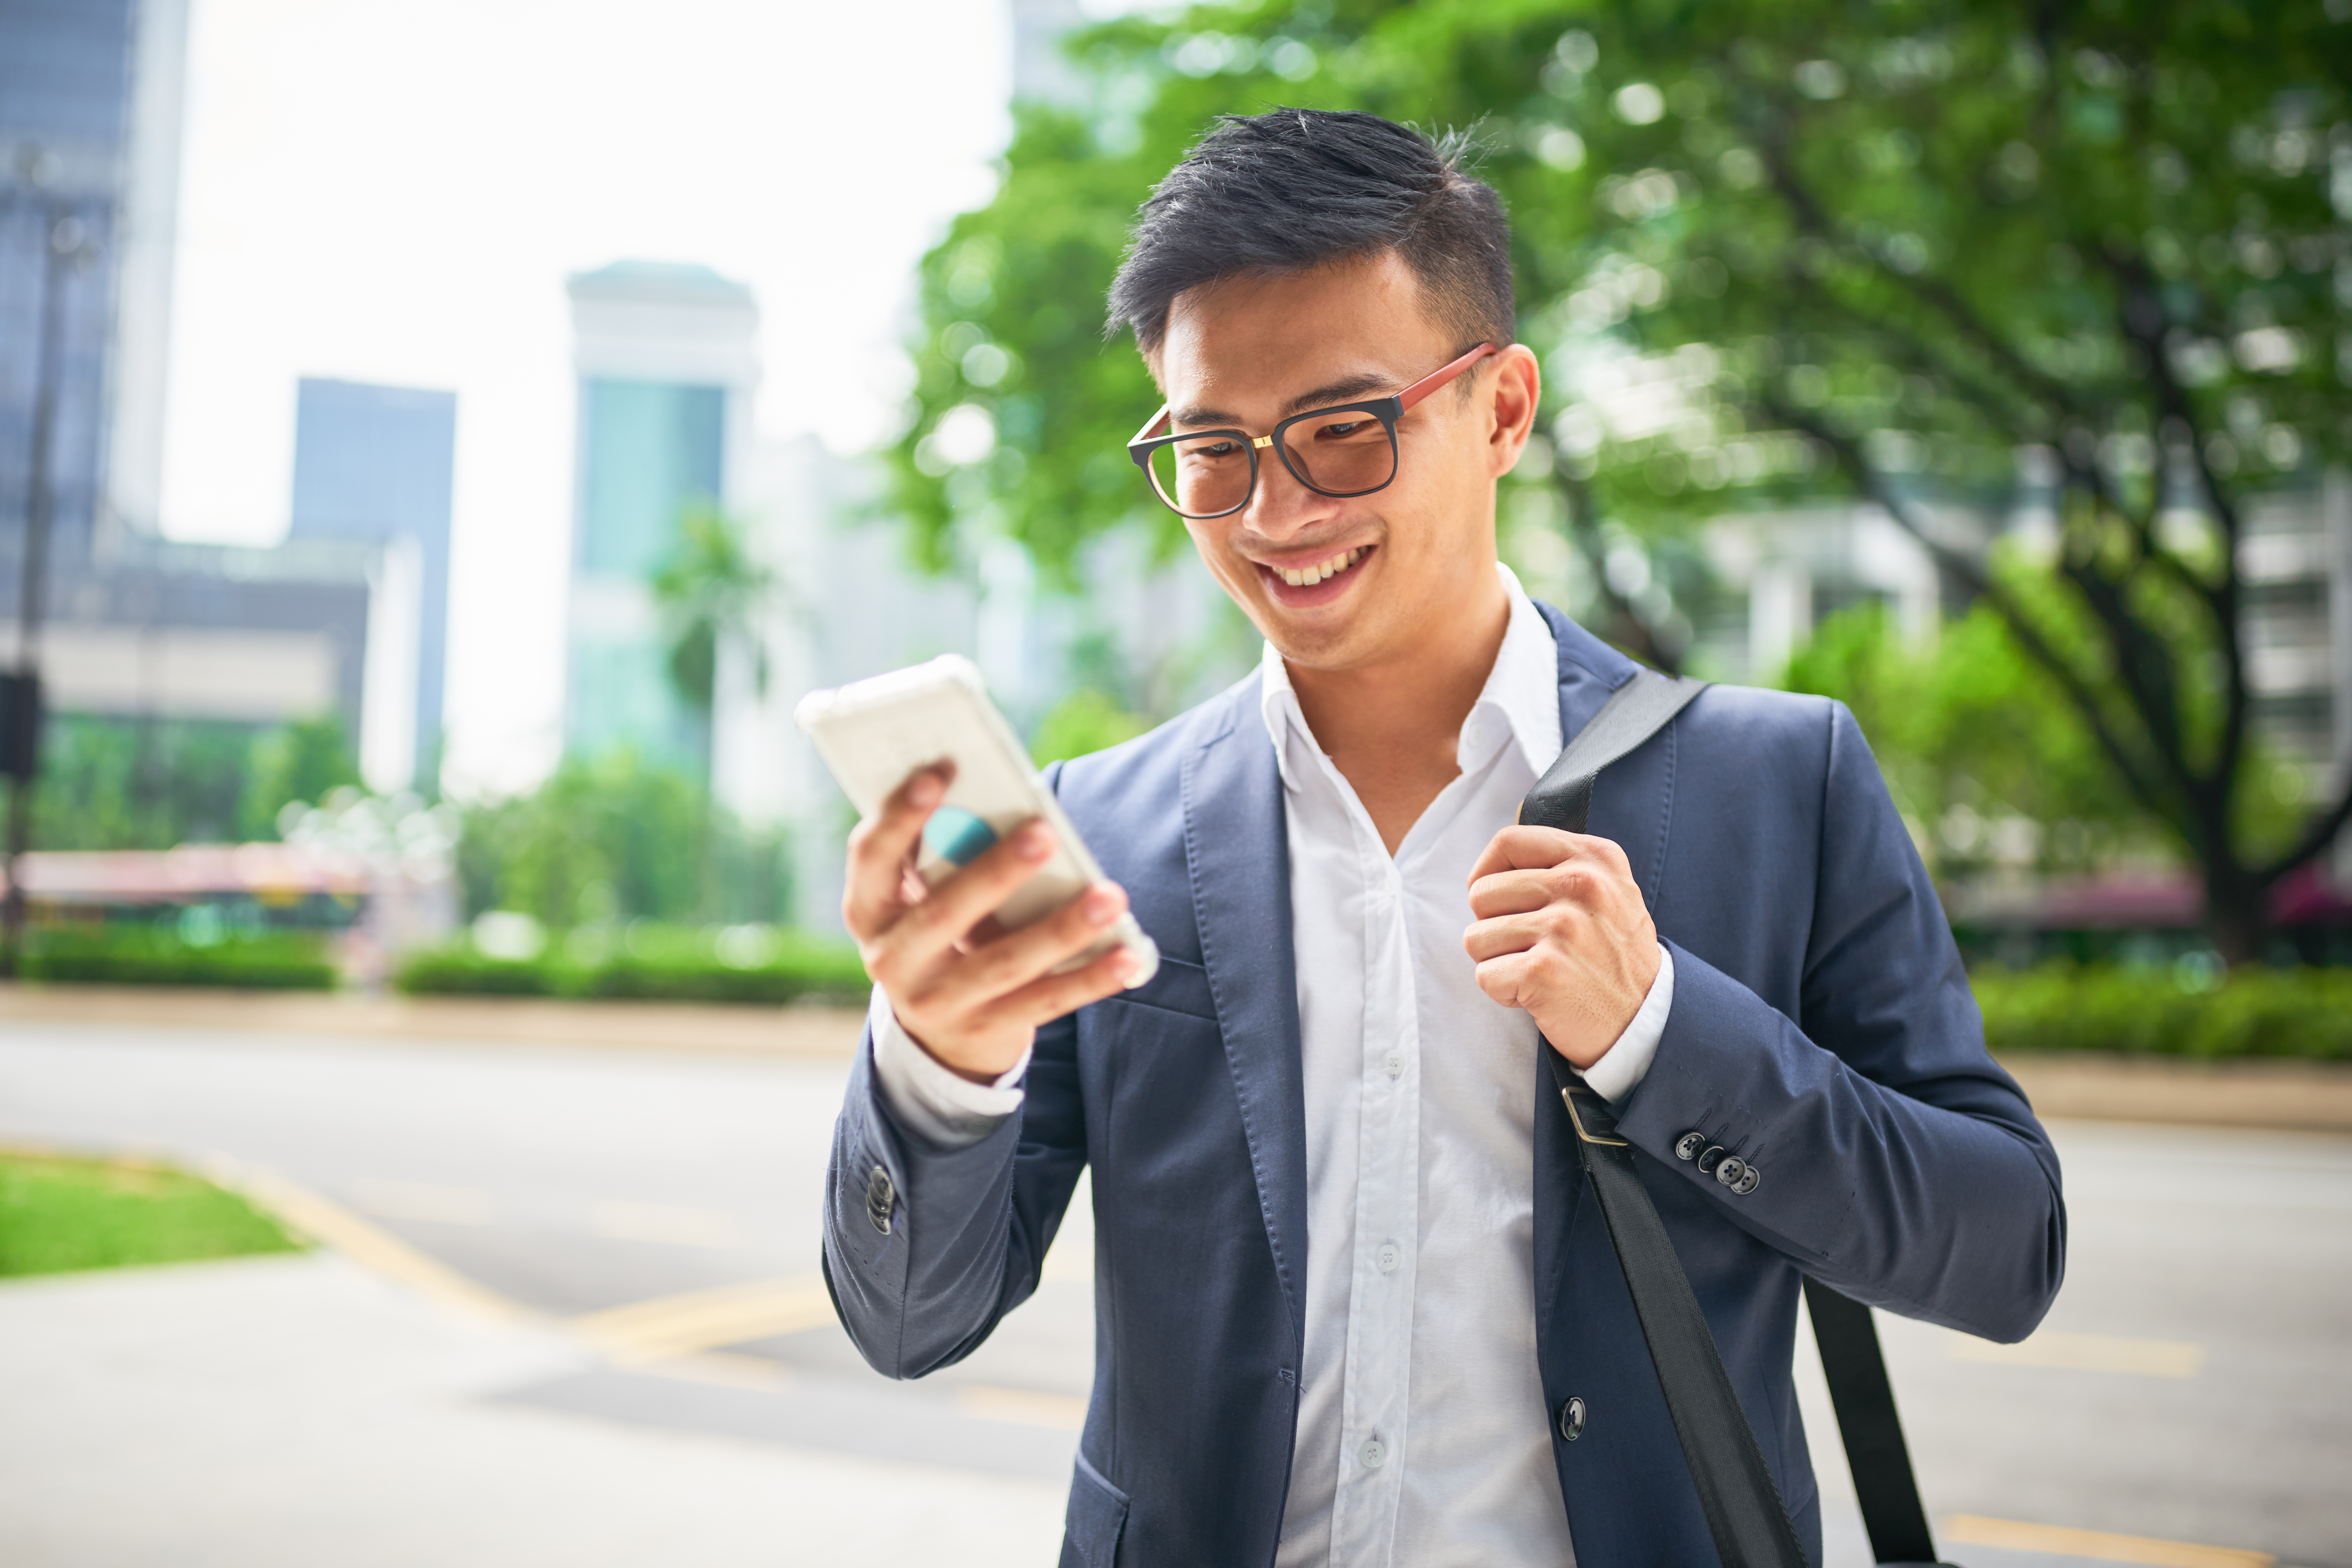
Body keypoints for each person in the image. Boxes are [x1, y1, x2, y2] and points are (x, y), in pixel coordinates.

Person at [822, 109, 2064, 1568]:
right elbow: (913, 1320)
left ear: (1502, 409)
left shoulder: (1778, 779)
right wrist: (940, 1066)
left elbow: (2004, 1251)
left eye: (1345, 431)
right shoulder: (1107, 826)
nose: (1274, 512)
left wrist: (1663, 1032)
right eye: (1213, 449)